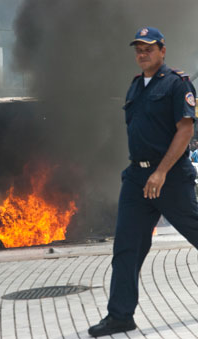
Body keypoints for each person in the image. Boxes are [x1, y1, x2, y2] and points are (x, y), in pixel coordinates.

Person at [88, 27, 198, 337]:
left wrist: (161, 172)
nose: (142, 53)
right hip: (137, 178)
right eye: (138, 48)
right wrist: (147, 172)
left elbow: (185, 131)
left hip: (171, 178)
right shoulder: (135, 87)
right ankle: (120, 316)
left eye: (148, 48)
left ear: (162, 51)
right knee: (126, 248)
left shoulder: (178, 84)